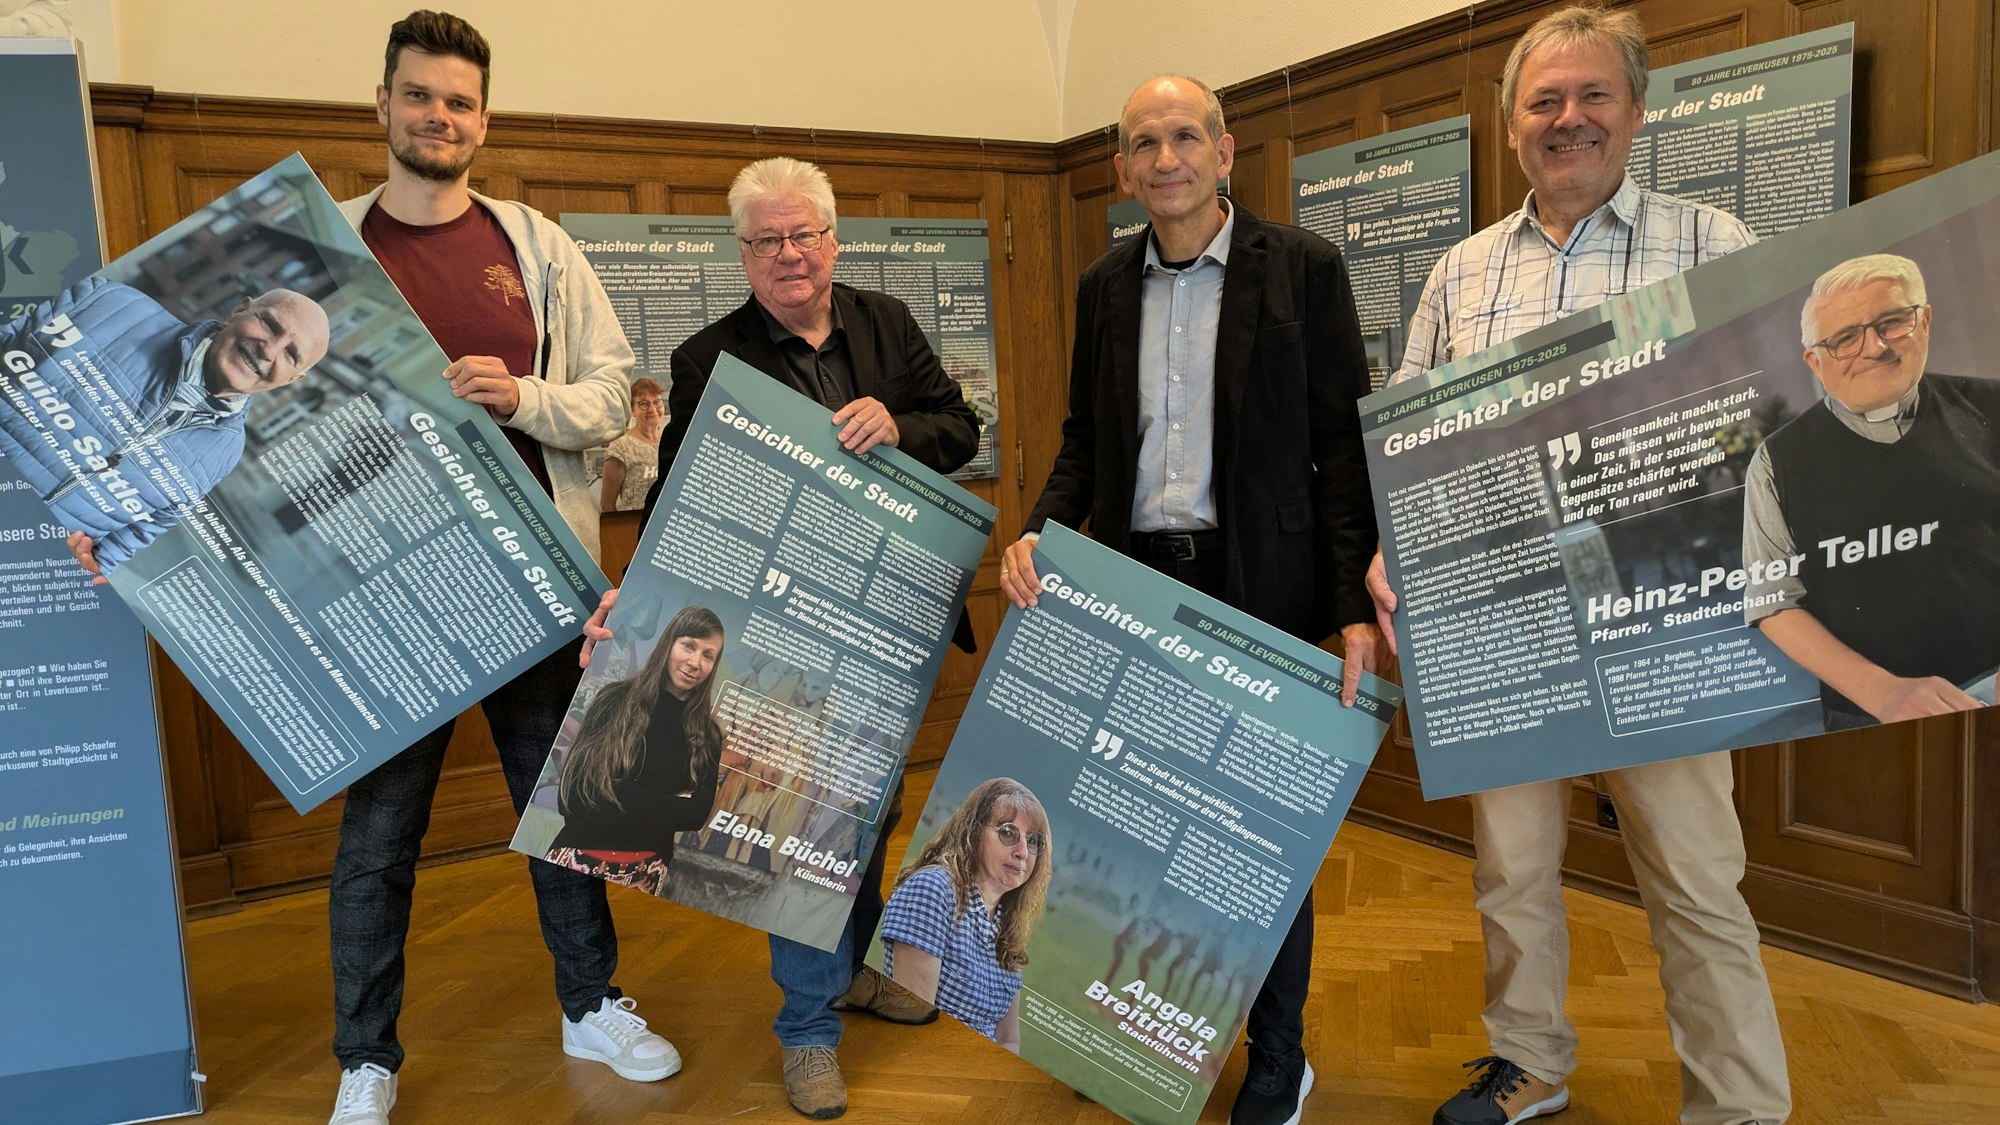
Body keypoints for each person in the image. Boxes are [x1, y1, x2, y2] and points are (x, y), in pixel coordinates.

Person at [1365, 9, 1790, 1125]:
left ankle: (1739, 1106)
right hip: (1504, 621)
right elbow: (1411, 439)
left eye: (1592, 94)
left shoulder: (1712, 243)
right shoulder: (1459, 272)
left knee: (1695, 880)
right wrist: (1390, 549)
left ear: (1636, 109)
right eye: (1543, 101)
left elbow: (1774, 416)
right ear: (1510, 122)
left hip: (1662, 620)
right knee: (1510, 869)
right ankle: (1531, 1060)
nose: (1568, 119)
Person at [996, 73, 1379, 1125]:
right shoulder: (1102, 286)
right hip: (1137, 586)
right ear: (1120, 169)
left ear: (1223, 152)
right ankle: (1140, 1035)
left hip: (1263, 590)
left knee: (1263, 841)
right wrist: (1038, 529)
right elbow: (1084, 440)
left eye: (1183, 137)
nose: (1164, 159)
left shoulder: (1301, 268)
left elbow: (1344, 448)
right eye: (1142, 143)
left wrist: (1352, 604)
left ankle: (1278, 1054)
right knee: (1138, 821)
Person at [323, 14, 670, 1125]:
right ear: (383, 105)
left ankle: (590, 1002)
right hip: (390, 599)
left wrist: (523, 396)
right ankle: (365, 1056)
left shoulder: (537, 245)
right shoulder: (326, 246)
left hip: (533, 587)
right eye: (420, 95)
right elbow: (252, 414)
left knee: (561, 809)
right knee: (379, 838)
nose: (439, 116)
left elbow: (612, 395)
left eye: (459, 102)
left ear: (483, 120)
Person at [583, 154, 977, 1119]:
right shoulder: (705, 358)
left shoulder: (888, 323)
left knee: (873, 808)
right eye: (768, 240)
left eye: (804, 235)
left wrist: (901, 425)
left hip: (888, 616)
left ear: (833, 241)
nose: (789, 254)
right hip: (783, 629)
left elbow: (959, 428)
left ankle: (852, 969)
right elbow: (682, 499)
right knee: (807, 823)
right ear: (744, 253)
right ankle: (807, 1028)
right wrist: (634, 599)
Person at [1745, 253, 1998, 728]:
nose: (1875, 348)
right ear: (1815, 362)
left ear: (1925, 321)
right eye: (1845, 338)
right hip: (1868, 715)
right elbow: (1774, 602)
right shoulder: (1776, 461)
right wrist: (1885, 694)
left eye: (1892, 322)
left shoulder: (1993, 405)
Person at [13, 278, 329, 578]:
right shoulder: (109, 303)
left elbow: (135, 534)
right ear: (238, 311)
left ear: (292, 379)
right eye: (269, 325)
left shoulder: (226, 451)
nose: (269, 351)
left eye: (291, 354)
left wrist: (80, 577)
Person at [547, 604, 727, 891]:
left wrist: (614, 787)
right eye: (689, 646)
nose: (695, 662)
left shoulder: (708, 735)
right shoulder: (615, 700)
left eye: (708, 655)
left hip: (647, 875)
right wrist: (670, 804)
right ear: (669, 643)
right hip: (578, 857)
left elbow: (695, 816)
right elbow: (574, 795)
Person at [879, 776, 1052, 1053]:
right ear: (974, 831)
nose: (1022, 852)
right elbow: (912, 1023)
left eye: (1033, 841)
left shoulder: (1007, 923)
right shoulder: (934, 889)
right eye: (1008, 833)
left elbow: (1008, 1039)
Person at [600, 376, 664, 511]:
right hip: (635, 522)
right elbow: (607, 506)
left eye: (657, 402)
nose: (652, 409)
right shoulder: (620, 447)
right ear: (632, 409)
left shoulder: (670, 441)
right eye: (643, 404)